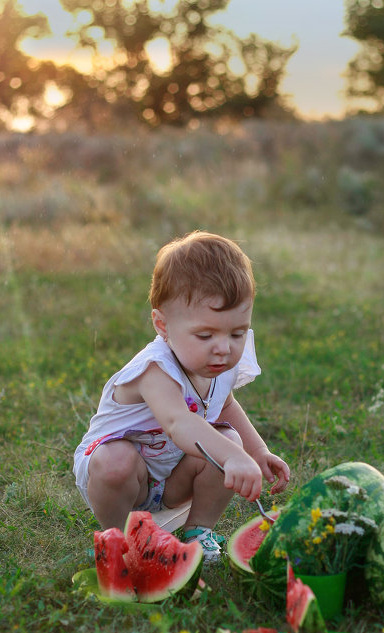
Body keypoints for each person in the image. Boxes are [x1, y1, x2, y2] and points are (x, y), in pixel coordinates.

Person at [73, 231, 290, 560]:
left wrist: (256, 451)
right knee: (115, 460)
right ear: (162, 325)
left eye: (237, 332)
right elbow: (178, 422)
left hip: (172, 477)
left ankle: (198, 530)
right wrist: (233, 456)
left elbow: (226, 404)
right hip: (122, 477)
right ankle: (117, 541)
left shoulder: (221, 360)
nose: (224, 348)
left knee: (227, 436)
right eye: (205, 334)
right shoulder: (154, 369)